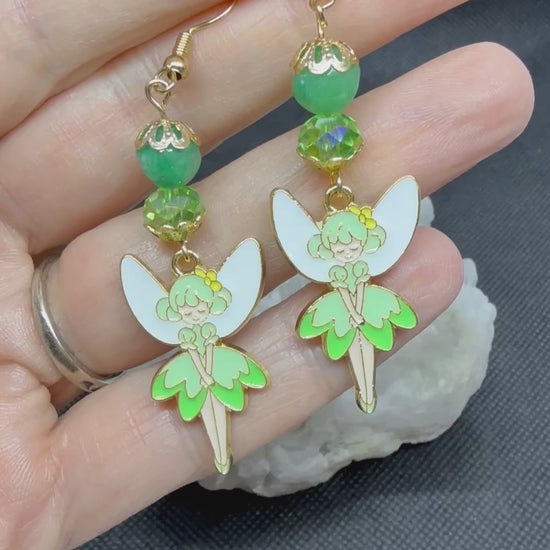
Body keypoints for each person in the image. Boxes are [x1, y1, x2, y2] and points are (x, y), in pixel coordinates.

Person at [0, 0, 533, 548]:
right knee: (233, 387)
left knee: (349, 335)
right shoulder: (204, 271)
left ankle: (357, 388)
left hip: (342, 296)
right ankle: (292, 414)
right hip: (220, 345)